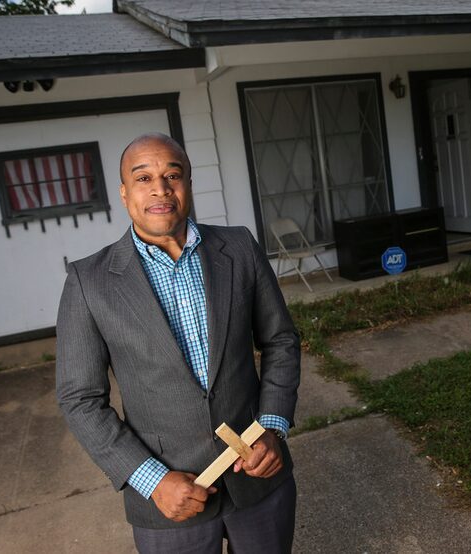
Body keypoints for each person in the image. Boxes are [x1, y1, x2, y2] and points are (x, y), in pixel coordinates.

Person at [56, 132, 300, 553]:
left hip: (258, 479)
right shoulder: (88, 281)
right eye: (144, 178)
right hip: (167, 503)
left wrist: (273, 426)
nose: (160, 189)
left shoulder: (239, 247)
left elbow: (280, 340)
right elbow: (80, 399)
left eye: (173, 175)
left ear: (188, 183)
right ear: (124, 193)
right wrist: (151, 478)